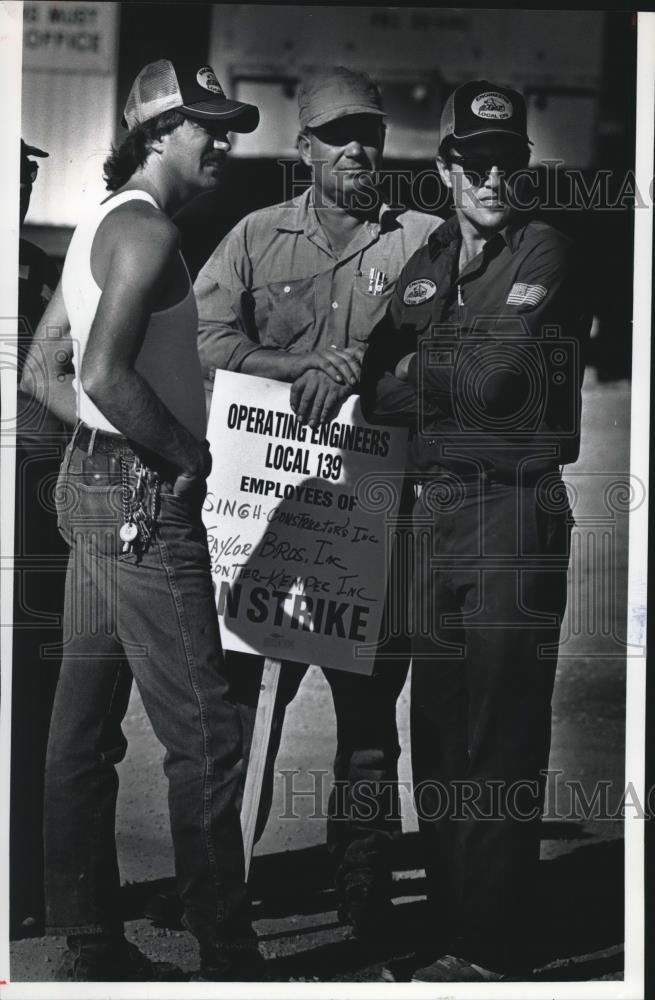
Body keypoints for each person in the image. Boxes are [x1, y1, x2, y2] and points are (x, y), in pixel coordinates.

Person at [20, 58, 263, 982]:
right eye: (209, 126)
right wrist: (185, 455)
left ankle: (88, 942)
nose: (226, 143)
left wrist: (100, 452)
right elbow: (102, 373)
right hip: (143, 500)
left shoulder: (98, 222)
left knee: (81, 732)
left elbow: (40, 369)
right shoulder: (148, 233)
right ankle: (226, 951)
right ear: (157, 133)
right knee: (205, 734)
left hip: (97, 491)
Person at [194, 66, 442, 938]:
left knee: (370, 727)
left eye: (369, 135)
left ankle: (363, 892)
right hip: (269, 522)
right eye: (338, 137)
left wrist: (368, 373)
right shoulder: (256, 236)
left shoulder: (421, 239)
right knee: (242, 716)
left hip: (372, 525)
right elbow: (208, 340)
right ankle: (223, 896)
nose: (358, 153)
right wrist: (302, 366)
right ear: (304, 150)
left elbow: (446, 348)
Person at [360, 80, 590, 981]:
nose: (495, 176)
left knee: (501, 732)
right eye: (478, 161)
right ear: (447, 167)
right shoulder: (430, 258)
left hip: (512, 509)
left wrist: (425, 362)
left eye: (510, 161)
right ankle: (447, 924)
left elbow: (494, 380)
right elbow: (377, 387)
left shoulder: (548, 249)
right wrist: (435, 364)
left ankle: (488, 942)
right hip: (433, 511)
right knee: (440, 727)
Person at [11, 139, 66, 937]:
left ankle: (26, 883)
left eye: (25, 175)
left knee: (34, 703)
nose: (19, 185)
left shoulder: (37, 265)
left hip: (34, 503)